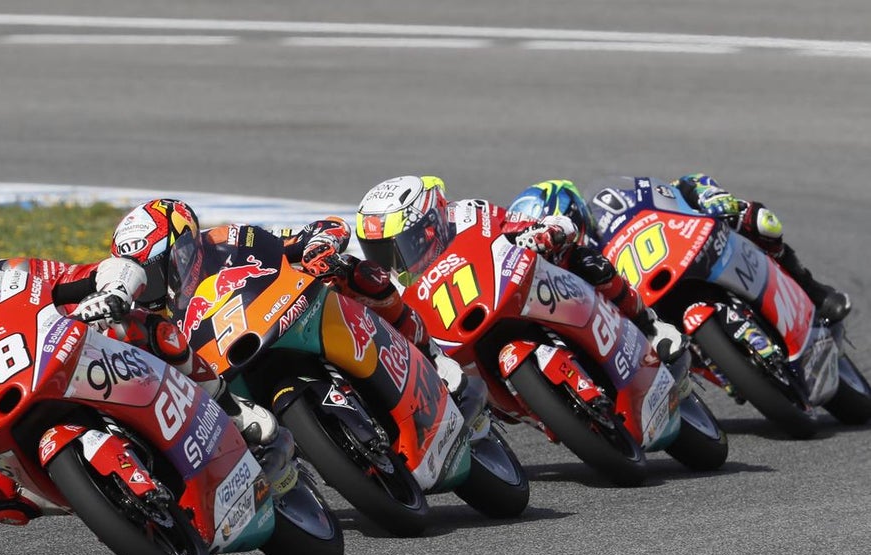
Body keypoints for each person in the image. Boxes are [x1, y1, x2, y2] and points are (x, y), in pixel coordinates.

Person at [0, 232, 281, 528]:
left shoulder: (5, 278)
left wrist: (113, 289)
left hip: (71, 361)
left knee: (141, 328)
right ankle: (106, 502)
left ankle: (228, 406)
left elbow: (86, 274)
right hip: (10, 419)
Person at [88, 198, 487, 424]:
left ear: (186, 247)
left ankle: (431, 356)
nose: (158, 286)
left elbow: (315, 232)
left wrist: (318, 248)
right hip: (226, 377)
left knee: (356, 273)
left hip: (282, 318)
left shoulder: (229, 240)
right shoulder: (147, 318)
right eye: (149, 278)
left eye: (164, 269)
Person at [354, 175, 688, 365]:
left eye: (396, 248)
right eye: (379, 253)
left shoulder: (469, 213)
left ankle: (650, 326)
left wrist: (545, 232)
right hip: (456, 340)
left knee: (582, 259)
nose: (391, 265)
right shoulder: (393, 291)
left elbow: (519, 223)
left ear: (430, 227)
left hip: (513, 289)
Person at [671, 173, 850, 324]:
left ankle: (812, 291)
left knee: (760, 221)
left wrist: (708, 194)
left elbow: (681, 185)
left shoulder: (642, 189)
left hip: (688, 245)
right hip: (652, 297)